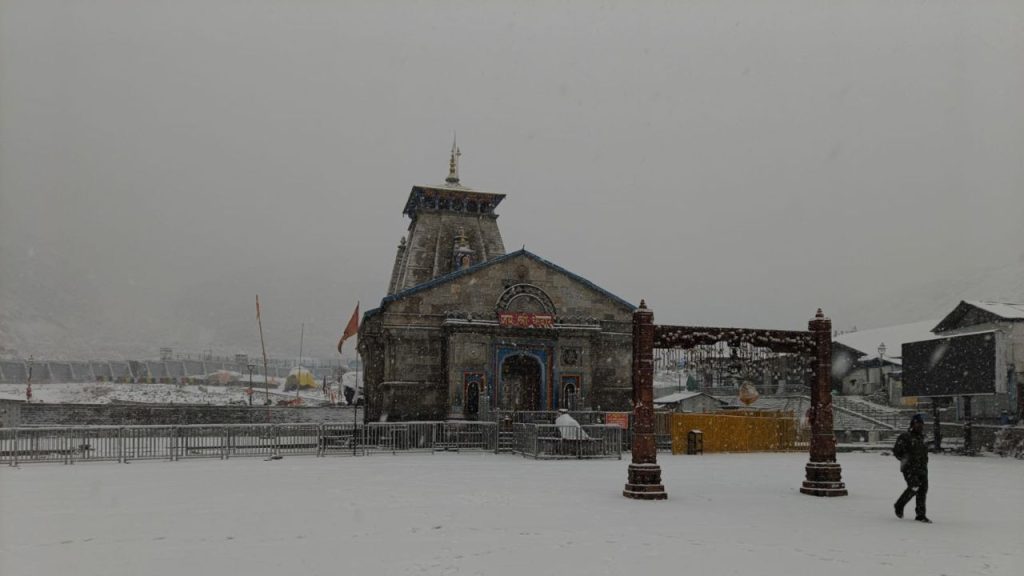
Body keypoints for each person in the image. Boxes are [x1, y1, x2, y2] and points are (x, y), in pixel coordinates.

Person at [893, 413, 931, 523]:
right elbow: (897, 451)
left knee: (922, 490)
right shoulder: (905, 436)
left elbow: (924, 452)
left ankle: (920, 515)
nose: (920, 426)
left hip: (922, 468)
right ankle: (899, 505)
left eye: (921, 424)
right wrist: (906, 460)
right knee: (914, 486)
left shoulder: (922, 438)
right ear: (912, 424)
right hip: (910, 468)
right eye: (917, 423)